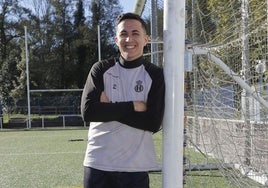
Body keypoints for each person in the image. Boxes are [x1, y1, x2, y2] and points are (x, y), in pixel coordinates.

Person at [81, 12, 165, 188]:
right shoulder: (100, 69)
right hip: (98, 163)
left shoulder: (155, 74)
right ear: (116, 39)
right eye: (123, 34)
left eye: (135, 33)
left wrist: (108, 109)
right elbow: (89, 112)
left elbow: (152, 122)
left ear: (146, 39)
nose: (129, 39)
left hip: (135, 167)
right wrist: (133, 106)